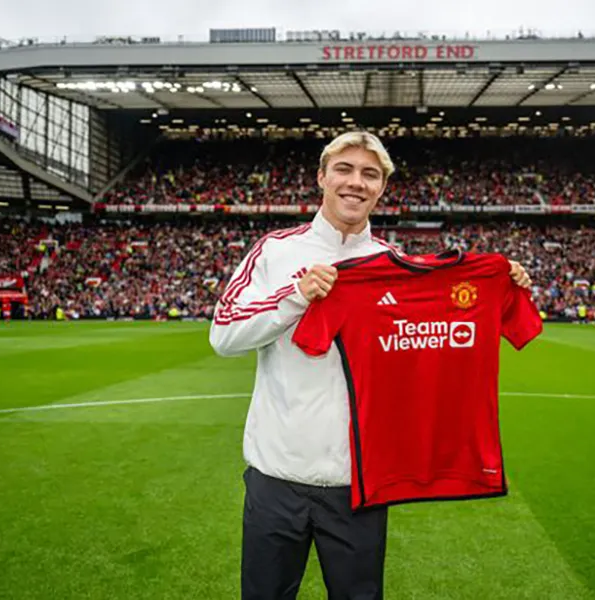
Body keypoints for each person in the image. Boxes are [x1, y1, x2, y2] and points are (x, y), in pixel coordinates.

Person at [209, 131, 532, 600]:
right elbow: (223, 335)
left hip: (359, 482)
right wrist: (296, 297)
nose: (355, 182)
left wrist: (504, 283)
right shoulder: (275, 250)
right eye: (344, 169)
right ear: (322, 177)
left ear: (382, 188)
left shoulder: (393, 264)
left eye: (370, 174)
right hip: (275, 476)